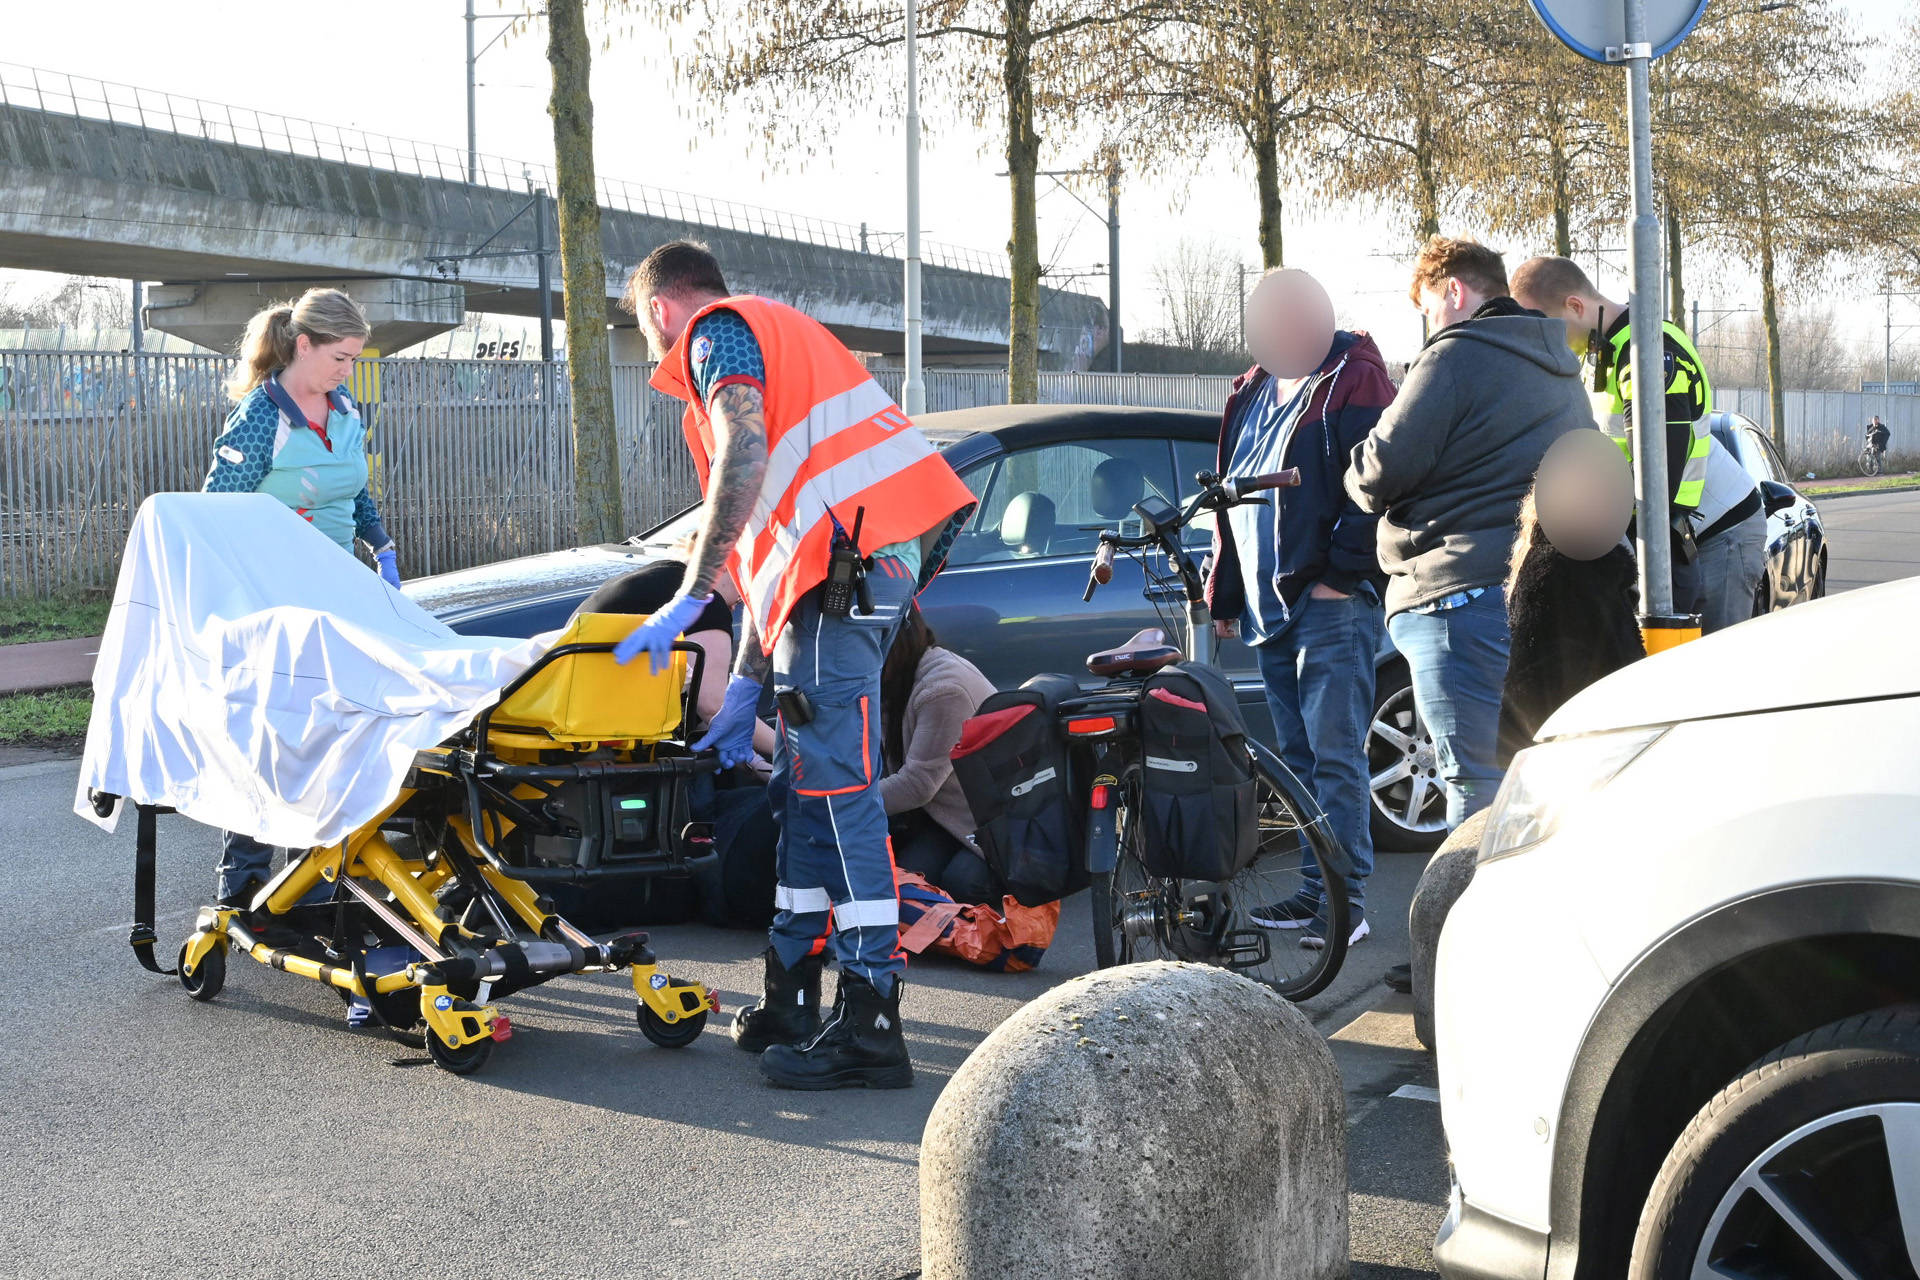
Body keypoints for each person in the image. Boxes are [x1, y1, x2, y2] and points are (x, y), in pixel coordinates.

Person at [615, 240, 975, 1091]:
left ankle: (873, 1020)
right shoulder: (776, 342)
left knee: (841, 796)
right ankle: (791, 991)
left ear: (659, 309)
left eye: (642, 329)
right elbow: (771, 564)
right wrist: (744, 684)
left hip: (843, 579)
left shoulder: (715, 332)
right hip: (845, 576)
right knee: (803, 791)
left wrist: (686, 592)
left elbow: (743, 445)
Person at [1205, 270, 1395, 951]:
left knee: (1334, 756)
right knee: (1296, 760)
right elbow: (1232, 495)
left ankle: (1346, 903)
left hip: (1327, 605)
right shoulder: (1254, 386)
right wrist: (1227, 591)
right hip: (1268, 606)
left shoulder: (1355, 379)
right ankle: (1317, 890)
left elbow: (1378, 485)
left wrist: (1342, 575)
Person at [201, 287, 399, 911]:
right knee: (273, 736)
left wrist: (380, 544)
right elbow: (218, 507)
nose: (349, 370)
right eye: (340, 357)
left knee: (332, 734)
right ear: (303, 344)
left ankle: (313, 875)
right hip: (276, 599)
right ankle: (246, 879)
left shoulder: (344, 408)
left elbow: (353, 490)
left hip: (337, 591)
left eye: (355, 359)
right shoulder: (263, 417)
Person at [1510, 256, 1765, 634]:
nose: (1544, 342)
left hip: (1717, 534)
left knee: (1711, 672)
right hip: (1668, 533)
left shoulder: (1647, 351)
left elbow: (1659, 473)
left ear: (1575, 307)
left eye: (1547, 328)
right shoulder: (1602, 352)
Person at [878, 603, 1000, 905]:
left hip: (993, 822)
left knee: (961, 885)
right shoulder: (901, 676)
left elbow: (916, 786)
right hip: (947, 817)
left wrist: (840, 804)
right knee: (903, 881)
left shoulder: (943, 689)